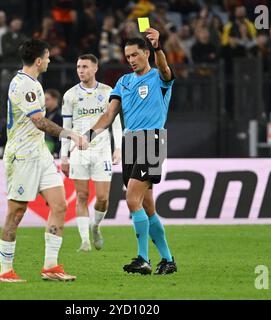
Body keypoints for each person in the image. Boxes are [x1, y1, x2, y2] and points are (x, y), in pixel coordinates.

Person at [82, 29, 177, 275]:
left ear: (146, 53)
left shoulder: (159, 77)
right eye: (128, 56)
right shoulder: (123, 82)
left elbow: (166, 70)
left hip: (151, 141)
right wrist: (89, 136)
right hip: (130, 145)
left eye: (135, 54)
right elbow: (108, 115)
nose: (131, 59)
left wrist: (159, 47)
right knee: (147, 208)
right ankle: (167, 260)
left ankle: (143, 258)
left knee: (132, 200)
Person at [0, 39, 87, 283]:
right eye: (47, 57)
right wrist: (70, 135)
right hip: (22, 155)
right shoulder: (21, 85)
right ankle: (5, 270)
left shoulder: (34, 83)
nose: (49, 61)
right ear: (38, 61)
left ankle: (51, 266)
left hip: (40, 154)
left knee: (59, 205)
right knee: (16, 212)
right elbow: (39, 121)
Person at [61, 54, 122, 252]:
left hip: (102, 151)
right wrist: (64, 156)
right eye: (78, 66)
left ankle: (95, 227)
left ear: (95, 68)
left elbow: (115, 121)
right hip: (78, 151)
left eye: (85, 66)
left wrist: (118, 147)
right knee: (81, 195)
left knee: (103, 198)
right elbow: (65, 127)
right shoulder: (70, 95)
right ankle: (84, 240)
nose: (81, 70)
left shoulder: (107, 92)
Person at [44, 89, 63, 158]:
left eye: (47, 99)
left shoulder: (60, 115)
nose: (44, 102)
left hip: (54, 150)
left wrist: (56, 151)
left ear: (55, 99)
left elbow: (61, 136)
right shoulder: (45, 114)